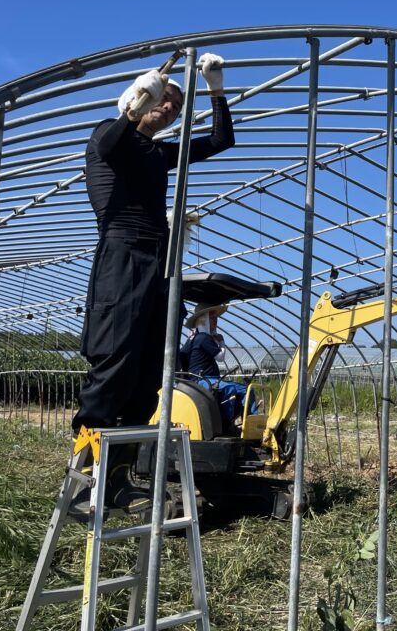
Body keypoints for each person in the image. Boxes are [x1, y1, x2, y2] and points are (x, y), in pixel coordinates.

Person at [70, 54, 234, 514]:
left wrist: (216, 90)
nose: (169, 109)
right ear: (139, 100)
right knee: (113, 368)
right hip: (122, 260)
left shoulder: (160, 153)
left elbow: (222, 139)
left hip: (158, 266)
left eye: (177, 107)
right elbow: (106, 145)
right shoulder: (111, 135)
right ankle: (84, 477)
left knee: (146, 376)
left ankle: (118, 480)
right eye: (164, 99)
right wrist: (133, 105)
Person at [180, 302, 255, 428]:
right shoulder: (204, 337)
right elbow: (220, 357)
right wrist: (221, 342)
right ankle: (244, 425)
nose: (216, 321)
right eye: (213, 318)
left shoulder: (193, 339)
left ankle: (232, 423)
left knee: (236, 390)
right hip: (204, 380)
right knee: (246, 389)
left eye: (216, 318)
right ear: (204, 320)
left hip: (198, 380)